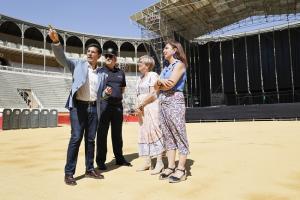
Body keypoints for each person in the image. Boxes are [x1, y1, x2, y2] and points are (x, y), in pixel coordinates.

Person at [48, 27, 111, 185]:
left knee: (90, 140)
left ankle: (89, 169)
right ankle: (69, 173)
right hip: (78, 107)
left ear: (99, 55)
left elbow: (101, 96)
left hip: (93, 108)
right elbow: (61, 58)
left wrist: (107, 93)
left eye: (93, 51)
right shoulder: (77, 64)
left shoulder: (102, 74)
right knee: (76, 138)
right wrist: (56, 42)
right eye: (88, 51)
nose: (89, 53)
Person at [154, 40, 189, 183]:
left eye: (167, 48)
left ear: (175, 50)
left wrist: (160, 83)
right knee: (167, 135)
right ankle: (171, 166)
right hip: (163, 102)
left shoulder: (179, 65)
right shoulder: (166, 68)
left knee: (178, 133)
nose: (164, 50)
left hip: (174, 100)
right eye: (164, 48)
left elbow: (170, 84)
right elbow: (157, 87)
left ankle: (181, 169)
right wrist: (161, 83)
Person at [96, 48, 131, 170]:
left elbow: (122, 88)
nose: (108, 58)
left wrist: (117, 96)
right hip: (104, 105)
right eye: (107, 56)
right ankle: (100, 161)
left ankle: (119, 158)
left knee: (117, 134)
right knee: (102, 134)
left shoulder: (121, 72)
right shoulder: (99, 71)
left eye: (111, 56)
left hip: (117, 106)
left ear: (115, 58)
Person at [134, 55, 165, 175]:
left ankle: (159, 162)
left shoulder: (153, 75)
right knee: (144, 133)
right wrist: (138, 106)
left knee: (154, 131)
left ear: (147, 65)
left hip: (151, 107)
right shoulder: (140, 78)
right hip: (141, 109)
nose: (138, 64)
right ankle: (147, 161)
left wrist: (142, 103)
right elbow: (138, 94)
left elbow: (153, 93)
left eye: (140, 62)